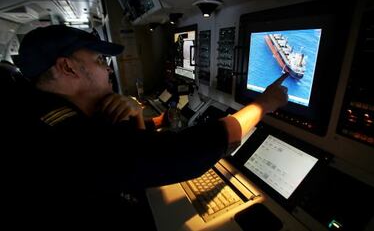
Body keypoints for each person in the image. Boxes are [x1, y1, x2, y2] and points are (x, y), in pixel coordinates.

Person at [8, 25, 288, 229]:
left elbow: (130, 154)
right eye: (99, 61)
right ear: (67, 68)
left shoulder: (43, 109)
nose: (107, 70)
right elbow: (180, 155)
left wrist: (135, 115)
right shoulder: (64, 136)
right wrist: (263, 105)